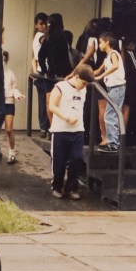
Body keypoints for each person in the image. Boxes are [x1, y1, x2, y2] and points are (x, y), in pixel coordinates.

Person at [49, 64, 95, 200]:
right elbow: (52, 105)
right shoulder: (60, 87)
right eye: (83, 83)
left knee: (77, 158)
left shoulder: (83, 90)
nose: (84, 86)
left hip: (77, 130)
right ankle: (57, 186)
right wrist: (66, 118)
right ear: (76, 77)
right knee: (59, 160)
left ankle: (72, 187)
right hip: (61, 129)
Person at [38, 13, 73, 126]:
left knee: (50, 103)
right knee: (61, 103)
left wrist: (45, 70)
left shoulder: (47, 37)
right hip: (61, 75)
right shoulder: (62, 38)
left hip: (50, 75)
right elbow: (64, 59)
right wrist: (68, 73)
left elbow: (41, 55)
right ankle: (59, 127)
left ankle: (53, 127)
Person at [94, 33, 126, 154]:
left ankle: (113, 144)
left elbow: (115, 66)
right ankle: (113, 142)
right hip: (112, 88)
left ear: (107, 42)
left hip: (116, 88)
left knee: (110, 115)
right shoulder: (107, 57)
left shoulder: (113, 54)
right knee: (111, 114)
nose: (100, 45)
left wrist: (101, 76)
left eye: (101, 42)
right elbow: (98, 70)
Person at [2, 50, 25, 164]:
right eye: (1, 59)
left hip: (9, 102)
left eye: (5, 60)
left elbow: (14, 88)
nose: (3, 62)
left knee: (9, 129)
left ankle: (12, 153)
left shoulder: (10, 73)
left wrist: (17, 95)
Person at [31, 12, 50, 138]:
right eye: (40, 24)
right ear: (36, 25)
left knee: (43, 102)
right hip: (43, 73)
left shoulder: (37, 36)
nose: (43, 26)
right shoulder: (40, 36)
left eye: (45, 23)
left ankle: (44, 128)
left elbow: (34, 58)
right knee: (45, 103)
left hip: (39, 71)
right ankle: (45, 128)